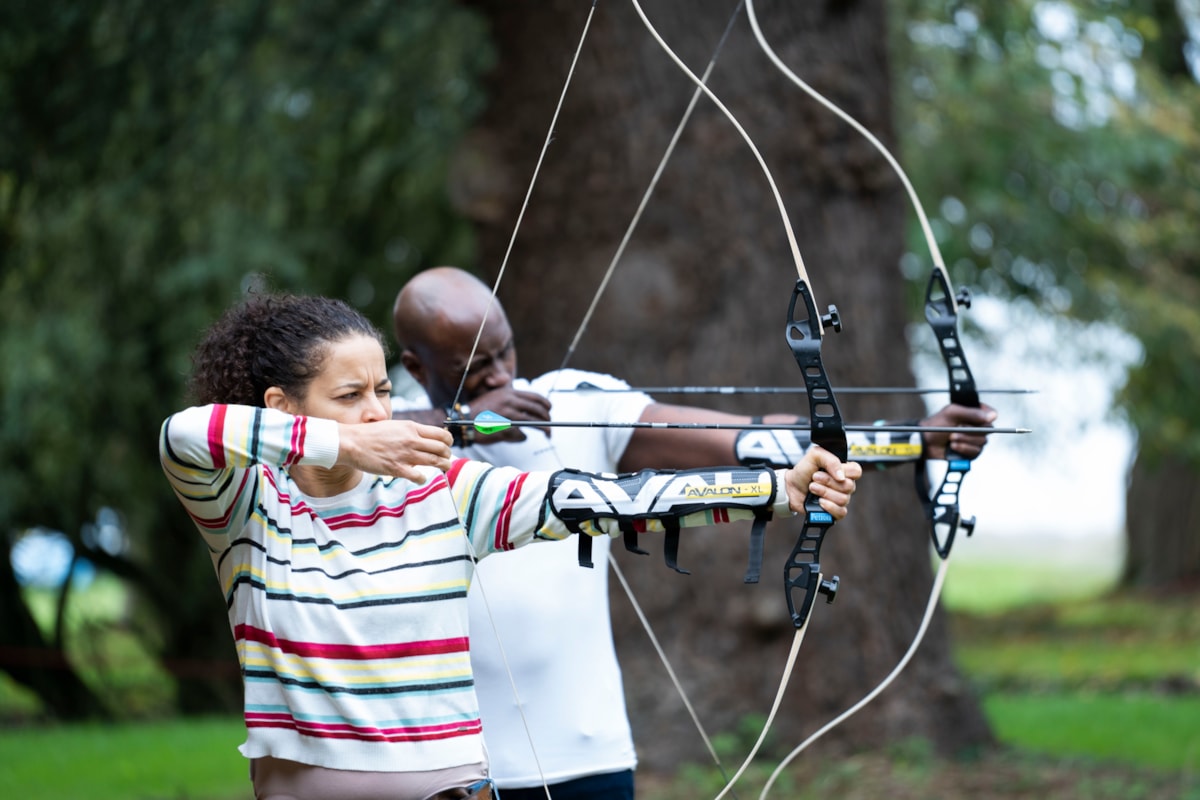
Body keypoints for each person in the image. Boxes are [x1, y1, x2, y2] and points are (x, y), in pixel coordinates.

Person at [159, 292, 862, 800]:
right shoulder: (248, 510)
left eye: (381, 390)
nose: (378, 411)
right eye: (349, 396)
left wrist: (775, 489)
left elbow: (596, 500)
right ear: (283, 409)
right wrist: (347, 443)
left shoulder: (443, 491)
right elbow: (185, 434)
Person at [390, 266, 997, 800]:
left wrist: (917, 437)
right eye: (472, 366)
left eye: (505, 352)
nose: (500, 373)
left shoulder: (573, 402)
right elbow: (315, 440)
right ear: (417, 367)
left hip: (586, 755)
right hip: (450, 772)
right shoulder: (383, 444)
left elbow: (748, 439)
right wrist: (463, 424)